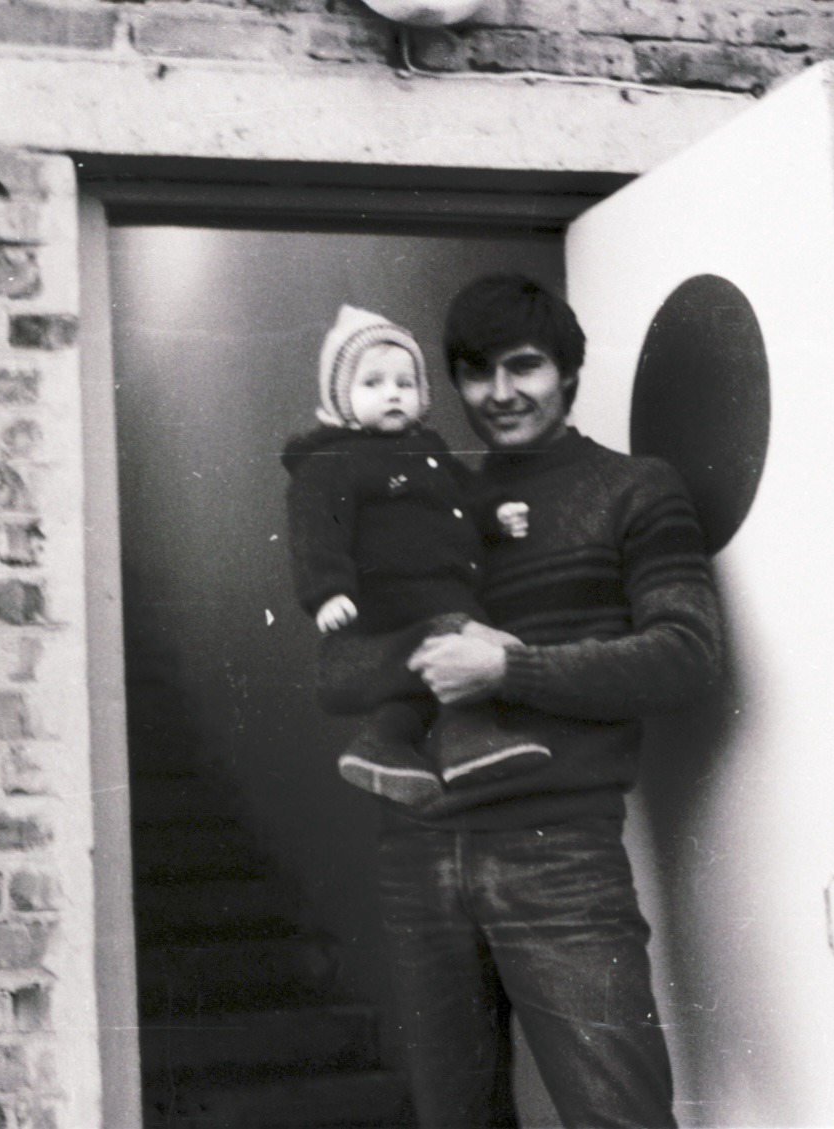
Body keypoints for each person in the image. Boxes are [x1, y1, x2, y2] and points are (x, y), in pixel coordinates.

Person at [344, 274, 723, 1128]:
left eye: (524, 368)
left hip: (555, 852)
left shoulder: (635, 488)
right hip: (418, 849)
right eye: (477, 374)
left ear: (568, 372)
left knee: (619, 1116)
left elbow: (687, 654)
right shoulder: (437, 500)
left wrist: (509, 672)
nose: (501, 394)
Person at [281, 305, 554, 807]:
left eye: (405, 384)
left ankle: (383, 745)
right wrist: (327, 592)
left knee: (423, 681)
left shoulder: (428, 447)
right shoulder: (334, 462)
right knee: (474, 646)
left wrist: (496, 514)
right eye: (373, 384)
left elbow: (468, 491)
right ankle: (471, 739)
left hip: (447, 589)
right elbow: (316, 528)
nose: (392, 394)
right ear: (340, 398)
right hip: (395, 594)